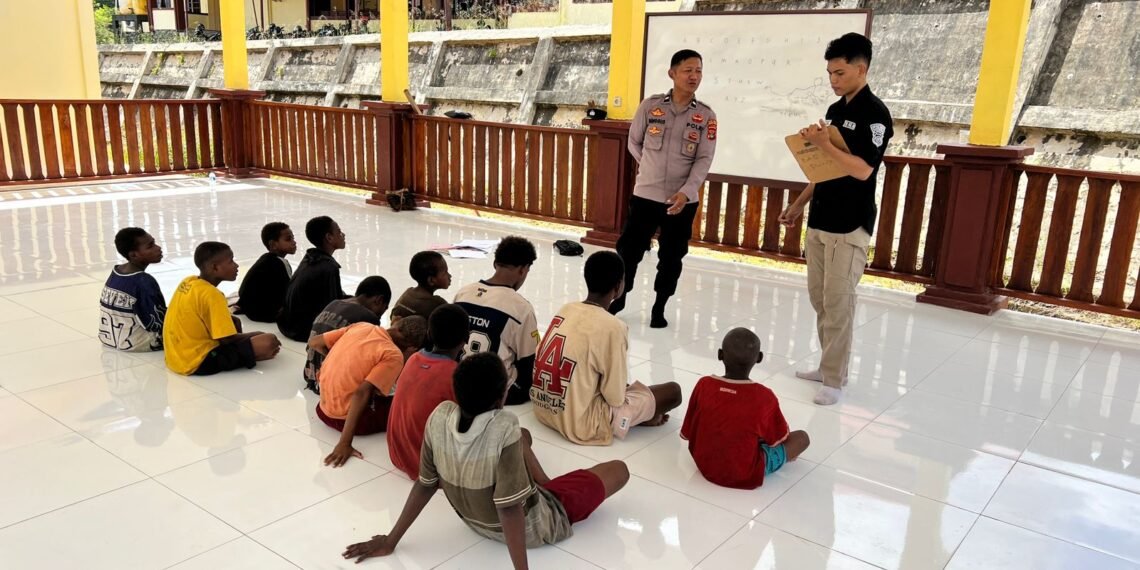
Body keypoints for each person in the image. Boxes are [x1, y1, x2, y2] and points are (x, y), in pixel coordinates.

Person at [342, 353, 630, 568]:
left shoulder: (440, 415)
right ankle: (547, 488)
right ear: (501, 398)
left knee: (524, 436)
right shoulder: (505, 425)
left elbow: (425, 484)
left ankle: (543, 483)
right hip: (535, 524)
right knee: (620, 470)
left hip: (473, 520)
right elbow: (509, 510)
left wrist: (391, 540)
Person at [779, 33, 894, 406]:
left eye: (840, 72)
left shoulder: (875, 115)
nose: (833, 80)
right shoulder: (835, 110)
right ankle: (827, 365)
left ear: (862, 68)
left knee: (839, 301)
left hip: (850, 223)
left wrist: (826, 143)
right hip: (821, 217)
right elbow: (824, 169)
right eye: (830, 73)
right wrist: (798, 205)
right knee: (820, 299)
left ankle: (834, 378)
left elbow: (863, 170)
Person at [609, 49, 717, 329]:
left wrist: (687, 190)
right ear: (673, 73)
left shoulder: (705, 116)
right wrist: (650, 168)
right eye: (688, 70)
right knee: (629, 251)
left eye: (699, 71)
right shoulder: (650, 106)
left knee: (671, 256)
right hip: (646, 195)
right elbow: (635, 142)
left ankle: (660, 305)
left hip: (682, 201)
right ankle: (620, 298)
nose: (694, 76)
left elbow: (704, 157)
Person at [530, 251, 683, 446]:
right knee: (672, 392)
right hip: (580, 423)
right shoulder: (614, 327)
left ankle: (637, 415)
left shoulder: (566, 309)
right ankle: (638, 420)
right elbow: (615, 397)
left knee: (613, 382)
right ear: (619, 286)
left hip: (542, 408)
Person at [680, 328, 810, 489]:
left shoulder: (704, 385)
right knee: (802, 438)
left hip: (704, 463)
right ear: (759, 358)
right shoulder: (764, 396)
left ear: (720, 354)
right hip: (743, 472)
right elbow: (779, 438)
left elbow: (690, 430)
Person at [308, 316, 428, 467]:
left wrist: (341, 361)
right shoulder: (393, 354)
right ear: (413, 348)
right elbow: (361, 393)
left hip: (322, 410)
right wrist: (344, 443)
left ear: (396, 324)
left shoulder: (361, 326)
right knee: (407, 403)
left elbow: (315, 342)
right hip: (347, 422)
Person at [163, 242, 281, 376]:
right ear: (215, 267)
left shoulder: (189, 281)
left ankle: (239, 352)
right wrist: (254, 334)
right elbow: (227, 340)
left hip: (175, 358)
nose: (236, 265)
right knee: (268, 341)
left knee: (234, 321)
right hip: (199, 362)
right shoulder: (213, 295)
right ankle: (238, 356)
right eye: (231, 261)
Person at [453, 236, 540, 405]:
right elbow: (529, 363)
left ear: (495, 263)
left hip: (459, 384)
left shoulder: (463, 294)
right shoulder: (521, 308)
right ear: (523, 270)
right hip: (498, 394)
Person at [386, 303, 470, 479]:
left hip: (397, 456)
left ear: (429, 334)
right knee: (521, 436)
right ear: (465, 339)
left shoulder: (413, 359)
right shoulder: (456, 375)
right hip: (431, 470)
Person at [302, 276, 392, 394]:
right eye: (384, 309)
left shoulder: (334, 303)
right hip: (331, 385)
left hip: (310, 373)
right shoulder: (368, 317)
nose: (380, 315)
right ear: (378, 300)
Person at [278, 216, 347, 342]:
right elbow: (332, 307)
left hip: (286, 323)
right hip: (302, 331)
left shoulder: (310, 257)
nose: (343, 234)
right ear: (329, 237)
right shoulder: (328, 267)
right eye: (339, 231)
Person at [99, 227, 167, 352]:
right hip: (137, 343)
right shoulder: (143, 281)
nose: (158, 248)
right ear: (134, 255)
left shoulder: (116, 271)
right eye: (150, 246)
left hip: (110, 340)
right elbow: (157, 323)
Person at [233, 222, 298, 322]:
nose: (294, 242)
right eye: (288, 239)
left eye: (293, 238)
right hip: (264, 314)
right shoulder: (279, 263)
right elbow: (289, 292)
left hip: (250, 310)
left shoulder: (265, 259)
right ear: (273, 245)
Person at [390, 251, 451, 323]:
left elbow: (393, 314)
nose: (449, 276)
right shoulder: (438, 304)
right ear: (431, 280)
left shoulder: (408, 293)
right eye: (445, 272)